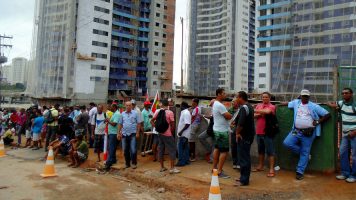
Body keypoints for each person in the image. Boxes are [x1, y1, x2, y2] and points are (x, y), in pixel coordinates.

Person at [283, 89, 330, 180]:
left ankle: (299, 172)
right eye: (303, 96)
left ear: (309, 97)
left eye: (306, 96)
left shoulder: (314, 106)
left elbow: (327, 114)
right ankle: (305, 155)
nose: (305, 97)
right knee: (287, 143)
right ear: (300, 96)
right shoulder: (296, 102)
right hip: (296, 130)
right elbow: (287, 103)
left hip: (308, 132)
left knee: (305, 150)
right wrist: (276, 105)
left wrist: (318, 121)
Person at [328, 88, 356, 183]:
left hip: (354, 134)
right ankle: (345, 173)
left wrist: (355, 132)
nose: (344, 95)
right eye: (343, 93)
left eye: (346, 93)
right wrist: (332, 106)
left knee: (354, 155)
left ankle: (354, 175)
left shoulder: (354, 105)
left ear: (351, 94)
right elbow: (332, 103)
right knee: (343, 152)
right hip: (345, 134)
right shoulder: (341, 103)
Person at [151, 99, 180, 174]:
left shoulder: (157, 111)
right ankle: (172, 168)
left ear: (161, 104)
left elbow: (151, 121)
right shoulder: (170, 112)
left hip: (160, 133)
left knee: (160, 149)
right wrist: (171, 132)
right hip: (167, 134)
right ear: (168, 104)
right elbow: (173, 124)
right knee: (172, 150)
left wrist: (157, 128)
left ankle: (162, 167)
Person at [234, 91, 255, 186]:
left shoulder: (244, 108)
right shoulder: (249, 106)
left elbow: (241, 123)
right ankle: (243, 177)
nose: (235, 99)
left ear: (241, 98)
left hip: (244, 136)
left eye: (236, 97)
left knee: (244, 158)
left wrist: (237, 133)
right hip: (248, 135)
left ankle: (244, 180)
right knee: (243, 156)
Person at [253, 92, 276, 177]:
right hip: (259, 131)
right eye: (263, 97)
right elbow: (254, 115)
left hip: (268, 132)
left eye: (266, 97)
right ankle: (260, 166)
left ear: (269, 98)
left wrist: (256, 111)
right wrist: (260, 113)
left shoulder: (272, 106)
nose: (265, 99)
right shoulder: (259, 105)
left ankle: (271, 169)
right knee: (261, 151)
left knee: (270, 152)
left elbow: (268, 111)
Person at [212, 88, 232, 179]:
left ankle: (214, 168)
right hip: (222, 131)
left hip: (217, 130)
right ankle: (219, 171)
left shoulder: (215, 103)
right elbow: (228, 116)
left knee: (217, 149)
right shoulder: (220, 105)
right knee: (224, 152)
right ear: (219, 94)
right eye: (224, 93)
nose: (225, 95)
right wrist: (232, 113)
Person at [118, 101, 142, 169]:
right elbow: (120, 124)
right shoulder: (122, 114)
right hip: (124, 134)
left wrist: (137, 132)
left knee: (133, 150)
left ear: (131, 106)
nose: (128, 106)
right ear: (125, 106)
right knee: (125, 150)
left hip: (133, 134)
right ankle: (127, 163)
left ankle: (134, 163)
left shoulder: (136, 113)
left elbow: (139, 123)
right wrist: (118, 133)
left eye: (129, 105)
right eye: (127, 105)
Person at [104, 103, 120, 170]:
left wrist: (108, 121)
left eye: (111, 107)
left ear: (114, 107)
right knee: (112, 148)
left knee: (111, 148)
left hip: (114, 133)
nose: (110, 108)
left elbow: (114, 124)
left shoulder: (117, 114)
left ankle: (108, 163)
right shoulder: (114, 113)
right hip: (112, 133)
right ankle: (113, 160)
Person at [176, 102, 191, 166]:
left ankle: (181, 162)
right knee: (185, 148)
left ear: (183, 106)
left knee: (180, 148)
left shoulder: (185, 113)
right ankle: (186, 161)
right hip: (184, 134)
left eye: (181, 106)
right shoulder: (185, 112)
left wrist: (181, 131)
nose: (180, 107)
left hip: (183, 134)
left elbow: (187, 124)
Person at [229, 98, 240, 169]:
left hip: (239, 130)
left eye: (234, 102)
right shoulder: (230, 110)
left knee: (239, 146)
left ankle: (239, 163)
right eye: (232, 102)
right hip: (232, 130)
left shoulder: (241, 110)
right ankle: (234, 162)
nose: (232, 103)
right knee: (233, 146)